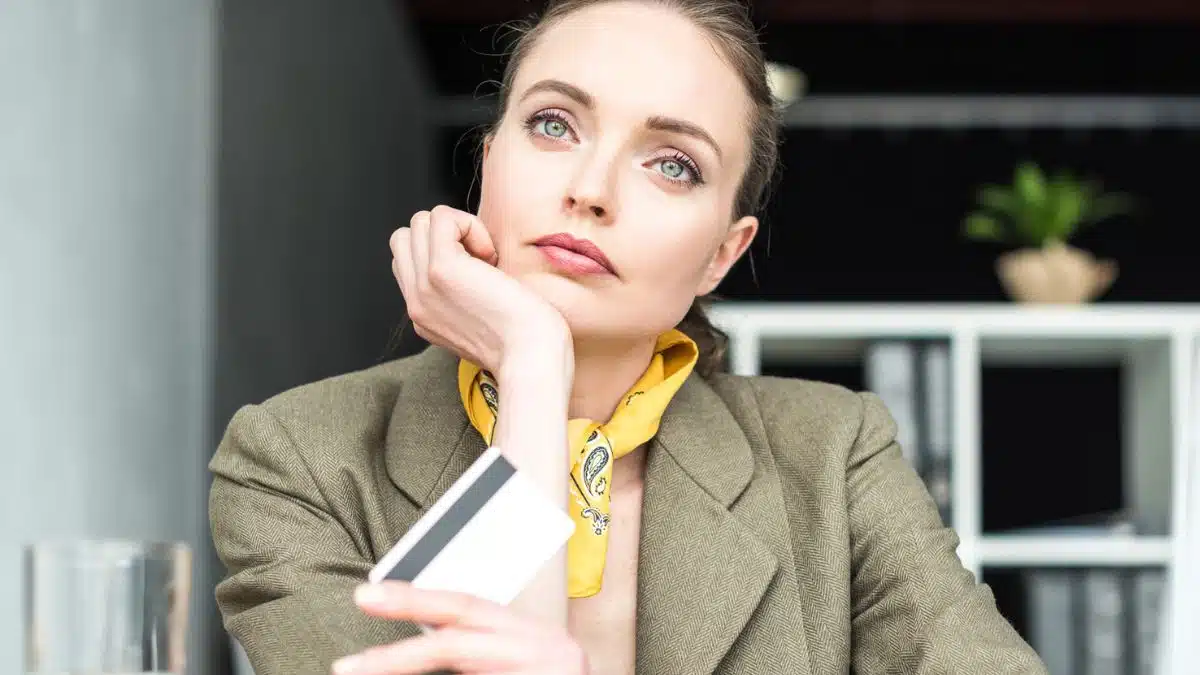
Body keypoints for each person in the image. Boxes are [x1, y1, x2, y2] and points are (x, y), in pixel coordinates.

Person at [208, 1, 1051, 673]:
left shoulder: (833, 454)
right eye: (553, 125)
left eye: (672, 163)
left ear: (724, 253)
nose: (592, 188)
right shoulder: (297, 459)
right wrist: (533, 370)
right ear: (489, 158)